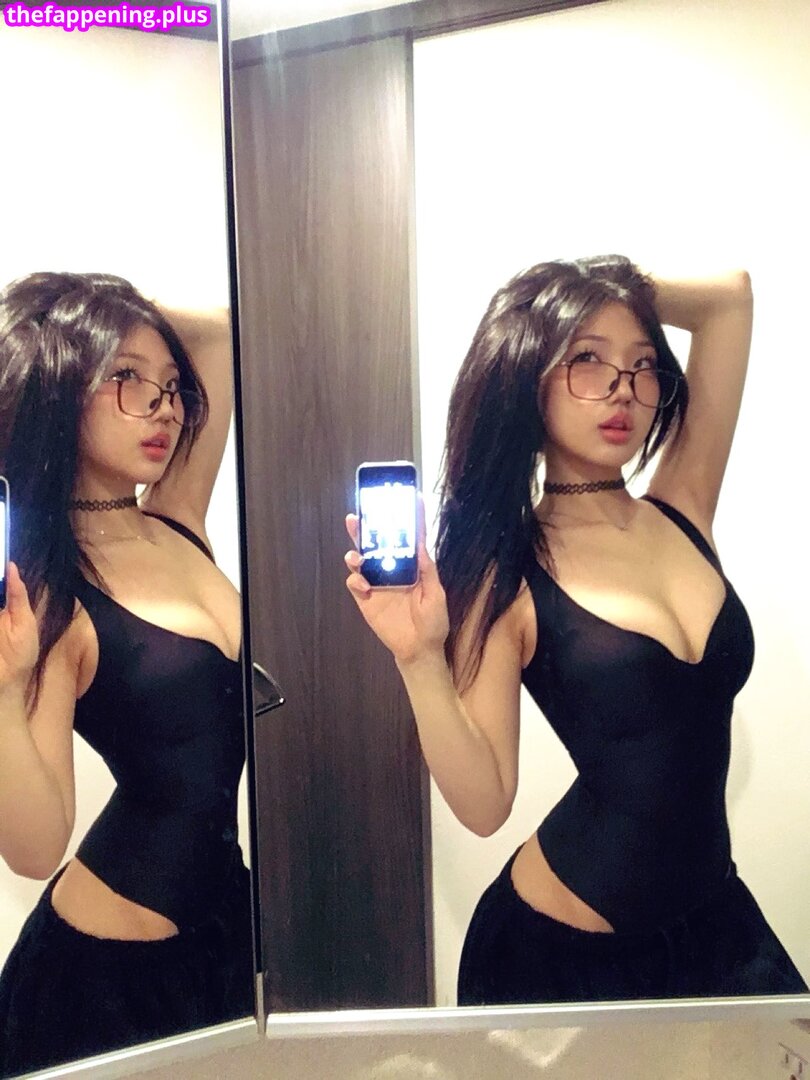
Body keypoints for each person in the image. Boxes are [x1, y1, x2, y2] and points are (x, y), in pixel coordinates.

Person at [344, 255, 808, 1005]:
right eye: (587, 360)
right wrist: (419, 658)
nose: (622, 388)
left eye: (643, 364)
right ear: (529, 377)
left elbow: (730, 302)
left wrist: (603, 286)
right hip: (561, 952)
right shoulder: (508, 571)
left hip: (715, 925)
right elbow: (486, 804)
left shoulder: (683, 505)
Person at [0, 272, 252, 1075]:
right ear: (58, 387)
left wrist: (105, 306)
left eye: (170, 386)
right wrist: (2, 693)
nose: (164, 407)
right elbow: (36, 846)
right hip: (104, 974)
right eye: (127, 379)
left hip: (225, 928)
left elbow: (223, 331)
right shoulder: (51, 592)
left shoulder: (177, 518)